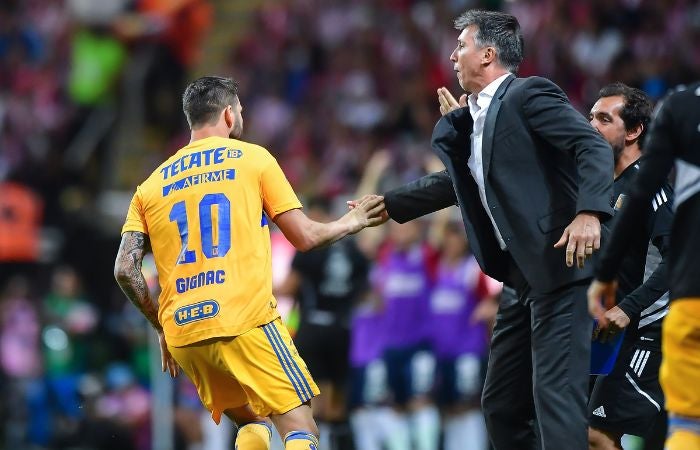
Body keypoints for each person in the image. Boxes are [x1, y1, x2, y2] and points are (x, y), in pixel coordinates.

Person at [360, 9, 614, 450]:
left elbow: (589, 144)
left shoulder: (527, 94)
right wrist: (390, 204)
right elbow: (456, 183)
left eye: (462, 45)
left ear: (488, 54)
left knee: (555, 396)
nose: (453, 55)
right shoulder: (476, 119)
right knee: (500, 406)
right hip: (519, 279)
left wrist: (590, 212)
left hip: (559, 266)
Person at [113, 75, 384, 450]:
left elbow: (125, 269)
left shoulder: (150, 185)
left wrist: (158, 324)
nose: (241, 116)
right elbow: (304, 237)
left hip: (184, 332)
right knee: (300, 422)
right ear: (228, 113)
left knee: (251, 420)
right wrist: (351, 222)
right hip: (245, 319)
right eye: (239, 110)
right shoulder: (253, 159)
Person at [589, 81, 700, 450]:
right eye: (590, 117)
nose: (592, 126)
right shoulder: (605, 188)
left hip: (649, 330)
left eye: (604, 119)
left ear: (635, 131)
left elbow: (677, 261)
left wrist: (627, 308)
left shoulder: (652, 191)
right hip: (614, 332)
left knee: (597, 433)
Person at [275, 195, 371, 450]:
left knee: (316, 404)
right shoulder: (351, 249)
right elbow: (365, 290)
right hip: (342, 329)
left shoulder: (309, 247)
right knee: (338, 403)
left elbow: (289, 287)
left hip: (313, 330)